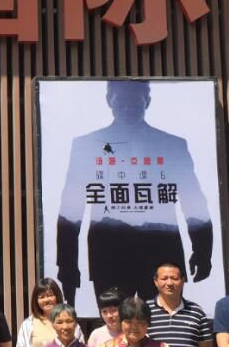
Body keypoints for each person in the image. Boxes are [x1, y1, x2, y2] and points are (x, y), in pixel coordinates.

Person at [55, 79, 214, 306]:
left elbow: (194, 201)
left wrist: (202, 250)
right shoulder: (87, 145)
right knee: (115, 323)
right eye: (122, 102)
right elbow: (71, 209)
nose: (128, 108)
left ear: (147, 101)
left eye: (136, 102)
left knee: (164, 322)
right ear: (109, 101)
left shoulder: (172, 145)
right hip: (109, 254)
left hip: (161, 251)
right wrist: (67, 265)